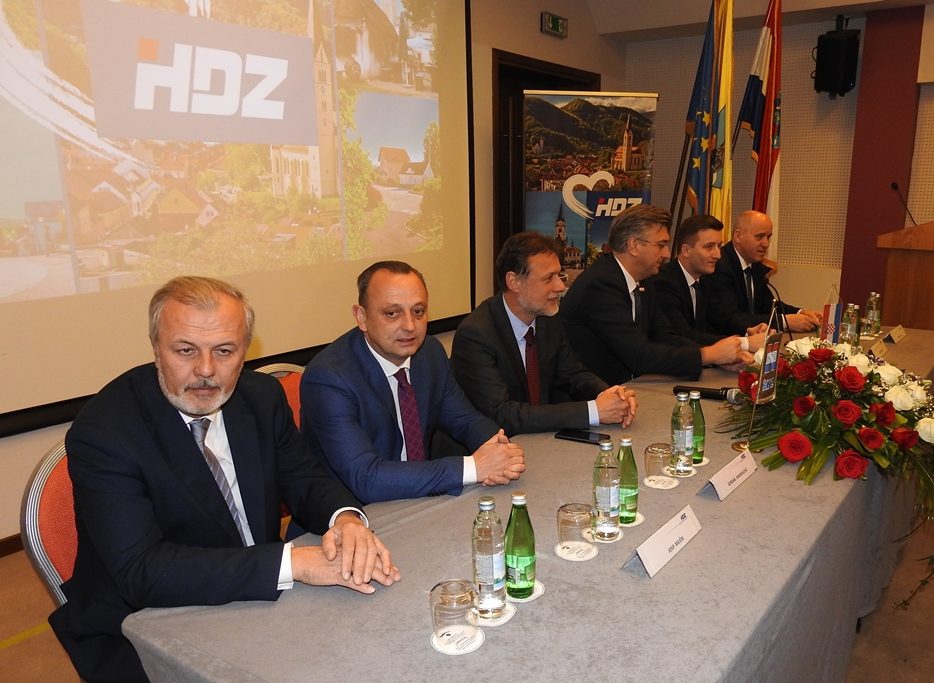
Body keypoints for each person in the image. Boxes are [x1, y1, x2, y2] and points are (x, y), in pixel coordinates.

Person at [52, 276, 399, 683]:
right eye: (185, 350)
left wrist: (345, 519)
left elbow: (305, 477)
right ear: (155, 348)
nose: (205, 370)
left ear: (245, 350)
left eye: (224, 351)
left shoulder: (260, 397)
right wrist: (293, 562)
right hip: (144, 625)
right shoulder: (106, 431)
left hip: (258, 597)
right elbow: (142, 571)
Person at [301, 261, 525, 504]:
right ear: (361, 317)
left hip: (419, 498)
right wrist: (474, 467)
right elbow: (366, 478)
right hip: (353, 513)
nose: (409, 326)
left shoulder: (429, 353)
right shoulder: (329, 378)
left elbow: (465, 419)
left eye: (418, 311)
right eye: (392, 313)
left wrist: (499, 449)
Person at [451, 232, 637, 435]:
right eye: (549, 278)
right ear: (514, 282)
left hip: (541, 439)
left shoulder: (548, 318)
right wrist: (593, 411)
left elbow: (573, 374)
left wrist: (609, 394)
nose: (560, 286)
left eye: (559, 275)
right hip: (497, 444)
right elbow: (502, 413)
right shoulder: (476, 335)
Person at [560, 204, 753, 386]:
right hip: (593, 397)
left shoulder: (646, 280)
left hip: (631, 389)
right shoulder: (600, 284)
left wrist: (715, 358)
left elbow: (665, 336)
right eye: (661, 245)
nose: (667, 254)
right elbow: (639, 355)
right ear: (634, 246)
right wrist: (708, 355)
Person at [653, 213, 768, 349]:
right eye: (709, 247)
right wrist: (744, 343)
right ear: (686, 251)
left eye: (718, 246)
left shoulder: (705, 279)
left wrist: (748, 331)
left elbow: (720, 316)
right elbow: (683, 334)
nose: (718, 255)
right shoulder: (665, 282)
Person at [704, 210, 823, 335]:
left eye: (768, 237)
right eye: (759, 237)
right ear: (738, 236)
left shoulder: (755, 264)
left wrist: (801, 312)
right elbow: (731, 317)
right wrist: (784, 322)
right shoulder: (719, 265)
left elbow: (768, 304)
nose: (766, 244)